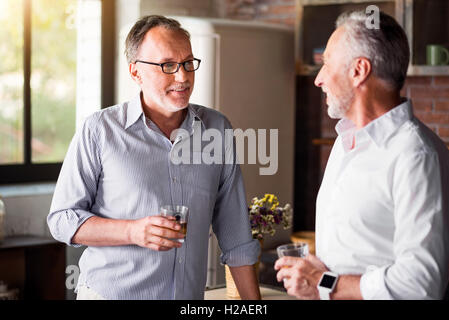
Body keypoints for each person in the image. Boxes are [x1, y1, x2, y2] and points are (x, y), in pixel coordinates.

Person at [47, 15, 261, 300]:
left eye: (188, 63)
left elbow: (236, 236)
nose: (183, 77)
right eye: (168, 66)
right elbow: (62, 219)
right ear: (135, 72)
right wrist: (132, 232)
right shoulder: (99, 130)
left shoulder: (217, 129)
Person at [275, 10, 449, 300]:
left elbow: (421, 283)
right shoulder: (346, 142)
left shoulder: (415, 154)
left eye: (327, 64)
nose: (318, 79)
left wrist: (325, 282)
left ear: (358, 71)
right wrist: (315, 273)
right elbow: (358, 248)